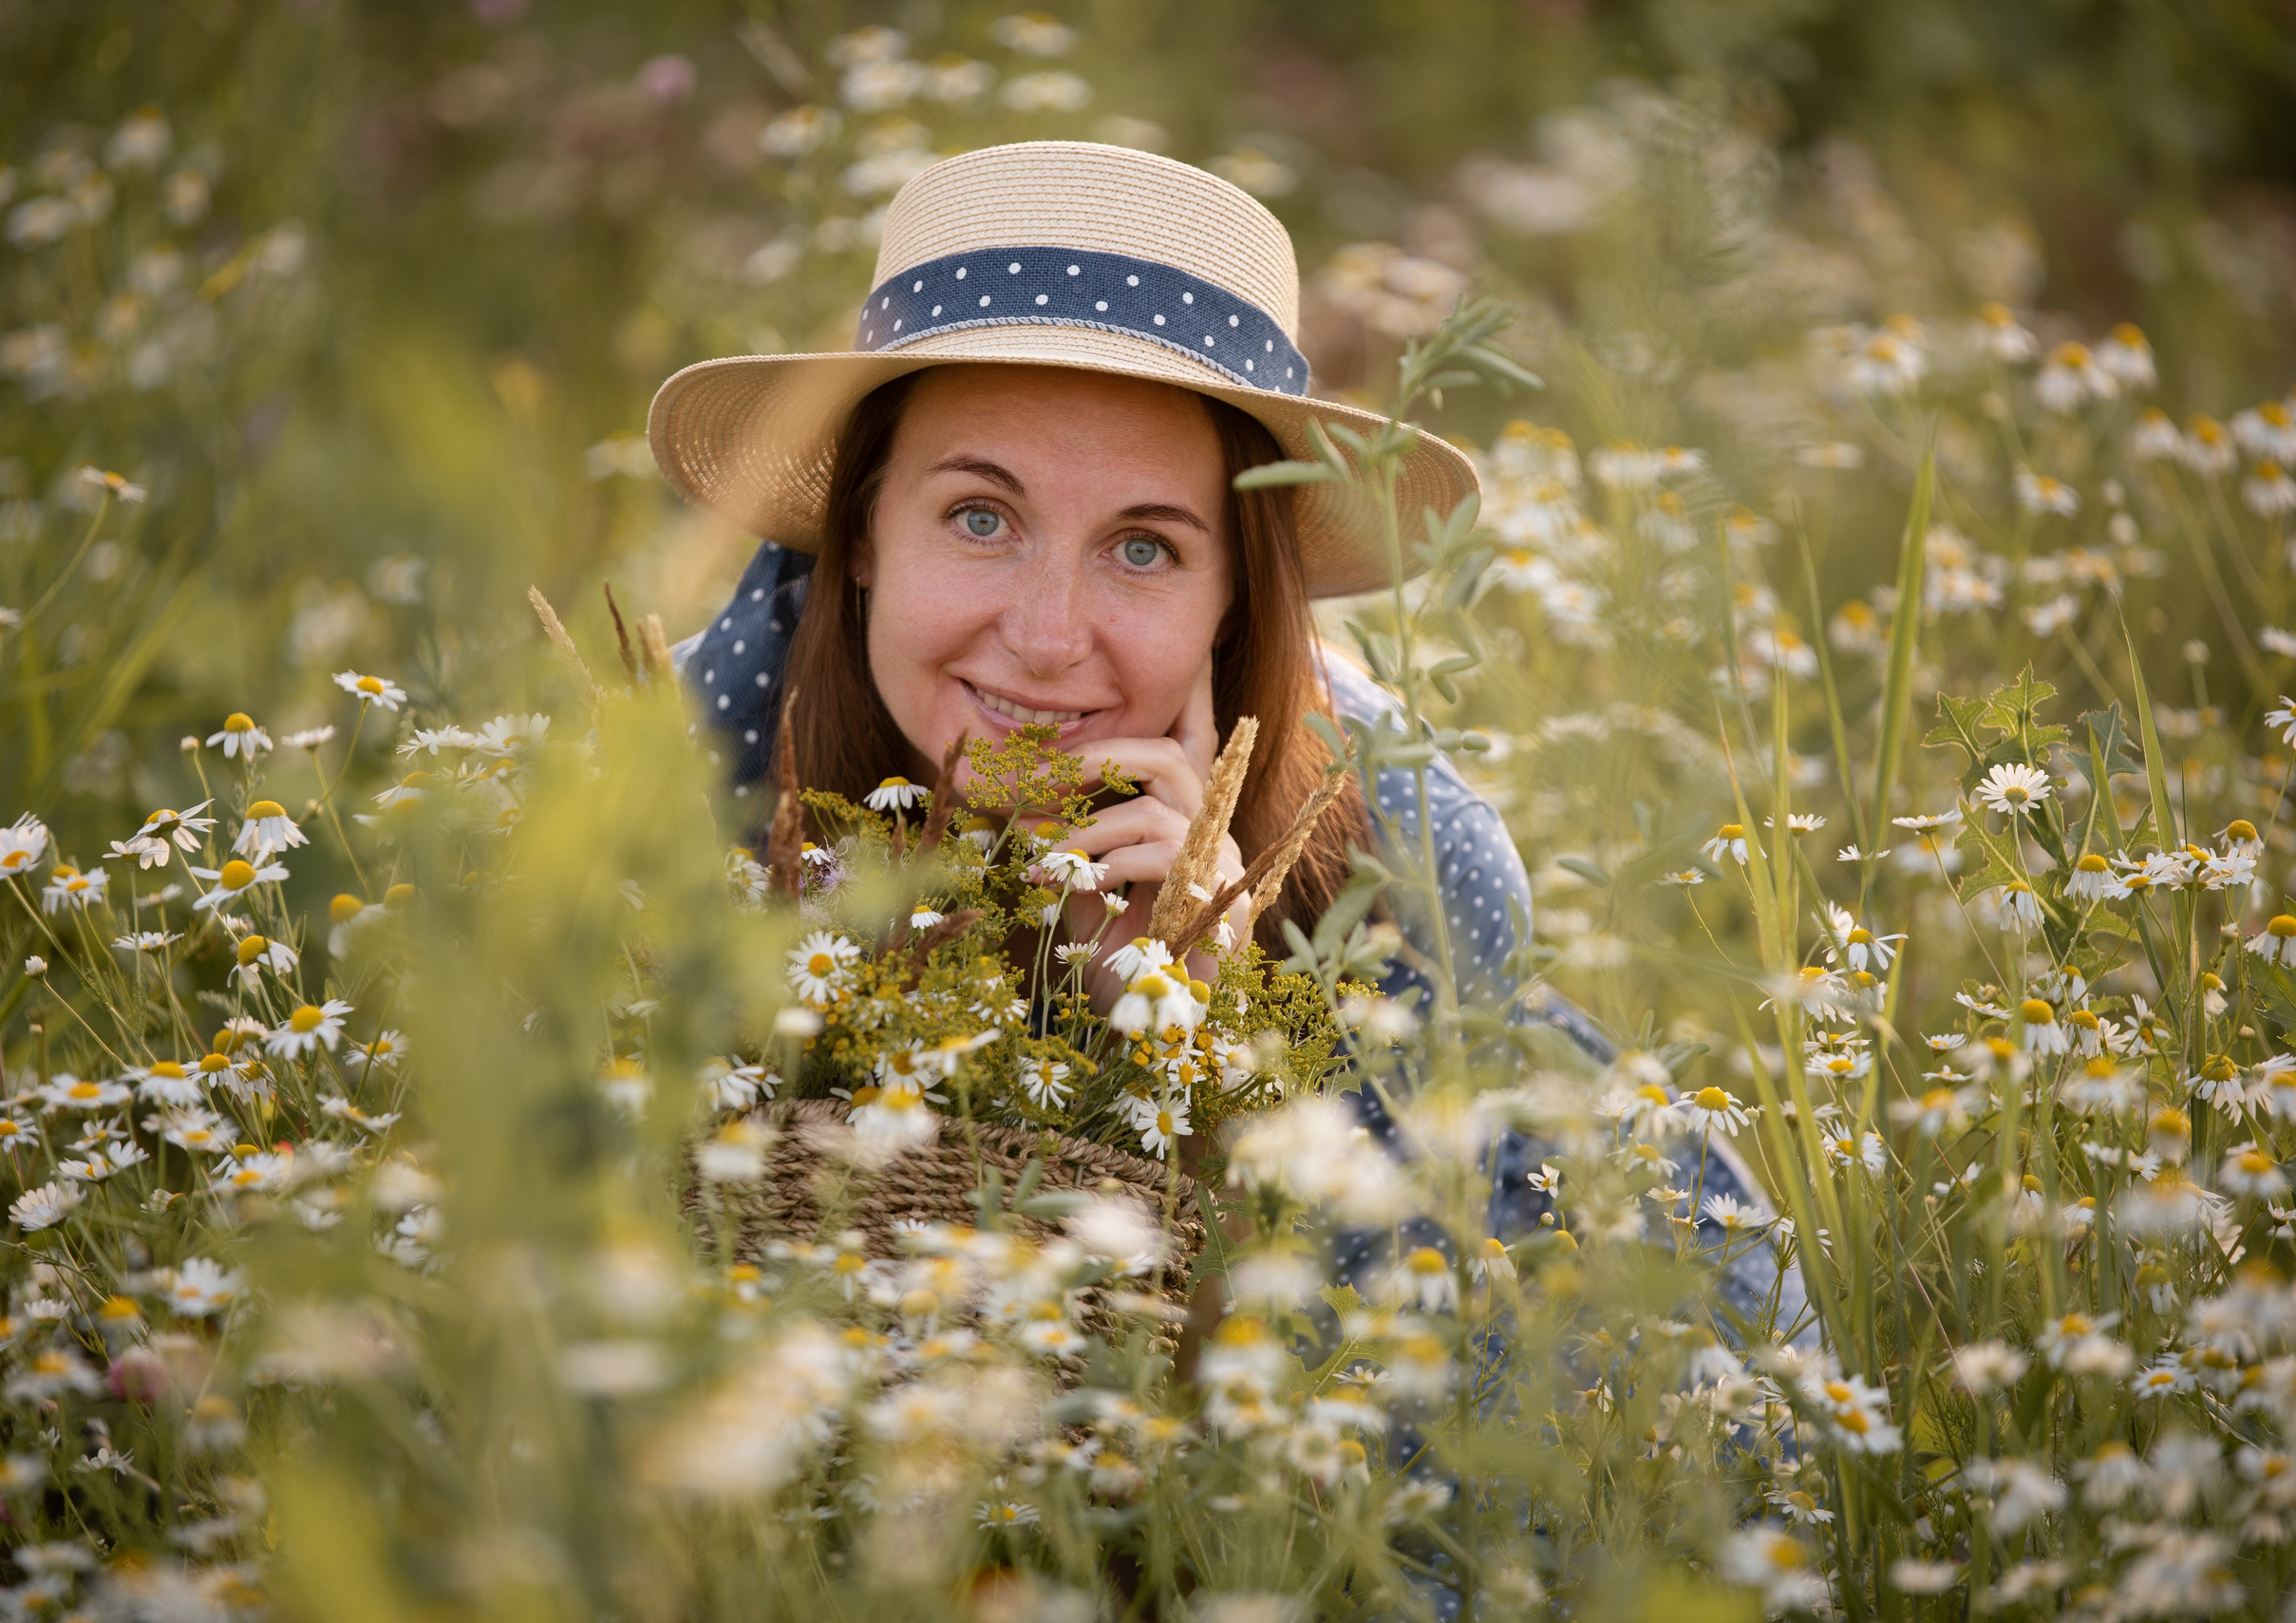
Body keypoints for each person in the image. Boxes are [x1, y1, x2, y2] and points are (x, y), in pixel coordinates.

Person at [646, 140, 1792, 1321]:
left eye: (1144, 547)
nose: (1047, 636)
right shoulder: (668, 775)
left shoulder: (1406, 875)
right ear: (864, 531)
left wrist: (1198, 1044)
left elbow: (1286, 1424)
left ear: (1238, 591)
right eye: (980, 516)